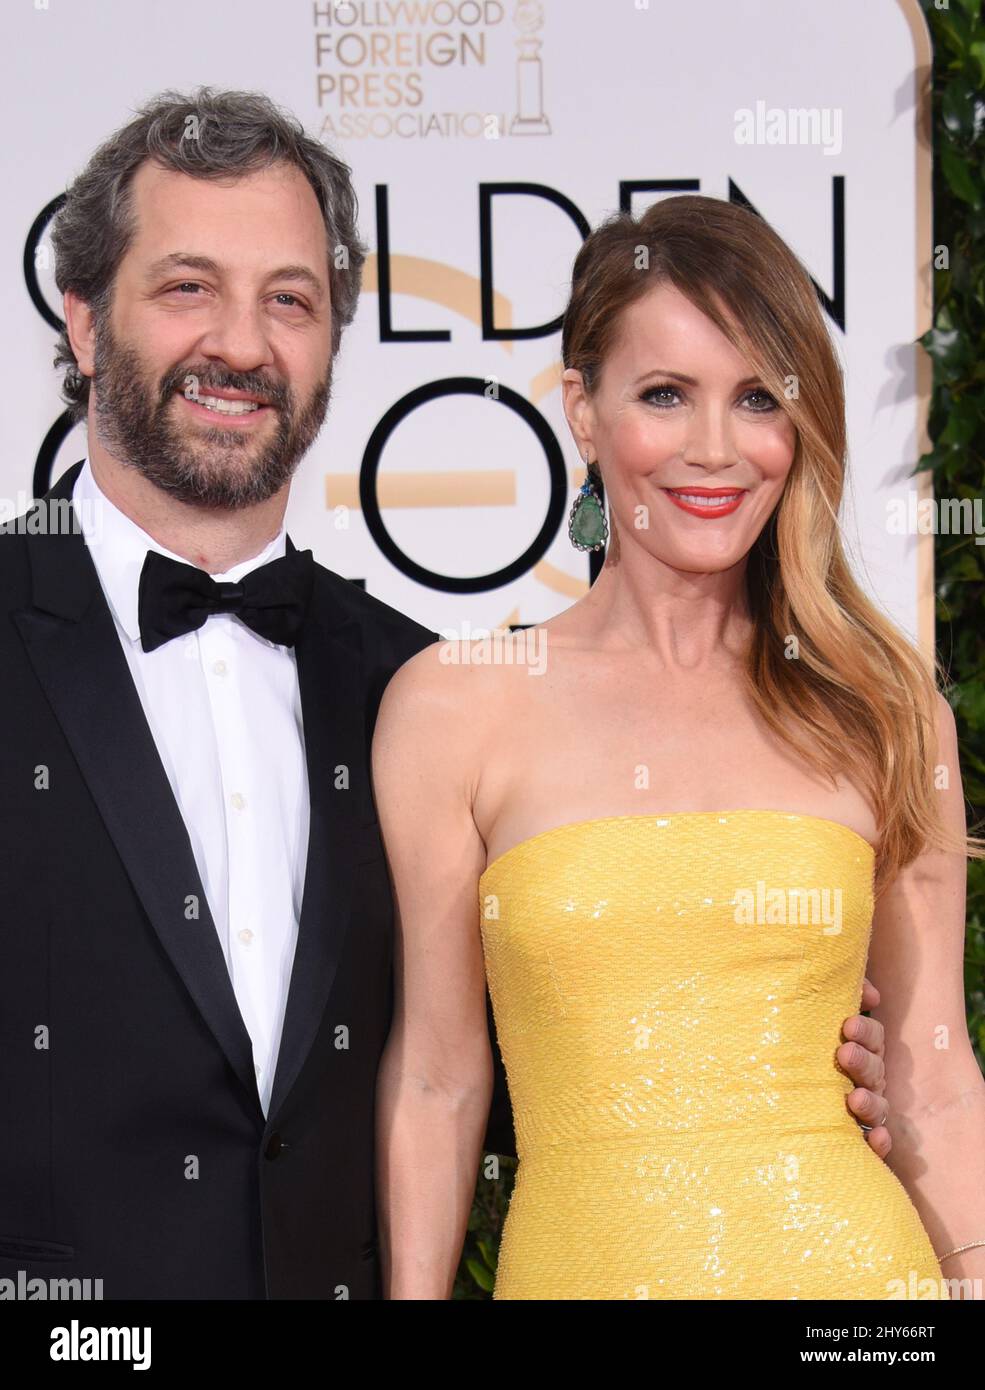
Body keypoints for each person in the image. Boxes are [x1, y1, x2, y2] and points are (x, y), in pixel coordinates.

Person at [0, 90, 894, 1301]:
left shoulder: (417, 684)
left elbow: (520, 1039)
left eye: (290, 299)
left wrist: (833, 1065)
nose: (243, 344)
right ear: (85, 322)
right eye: (186, 288)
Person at [371, 194, 985, 1300]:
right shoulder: (454, 707)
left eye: (758, 398)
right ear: (583, 411)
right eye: (665, 394)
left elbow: (934, 1069)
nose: (715, 449)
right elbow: (437, 1078)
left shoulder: (884, 706)